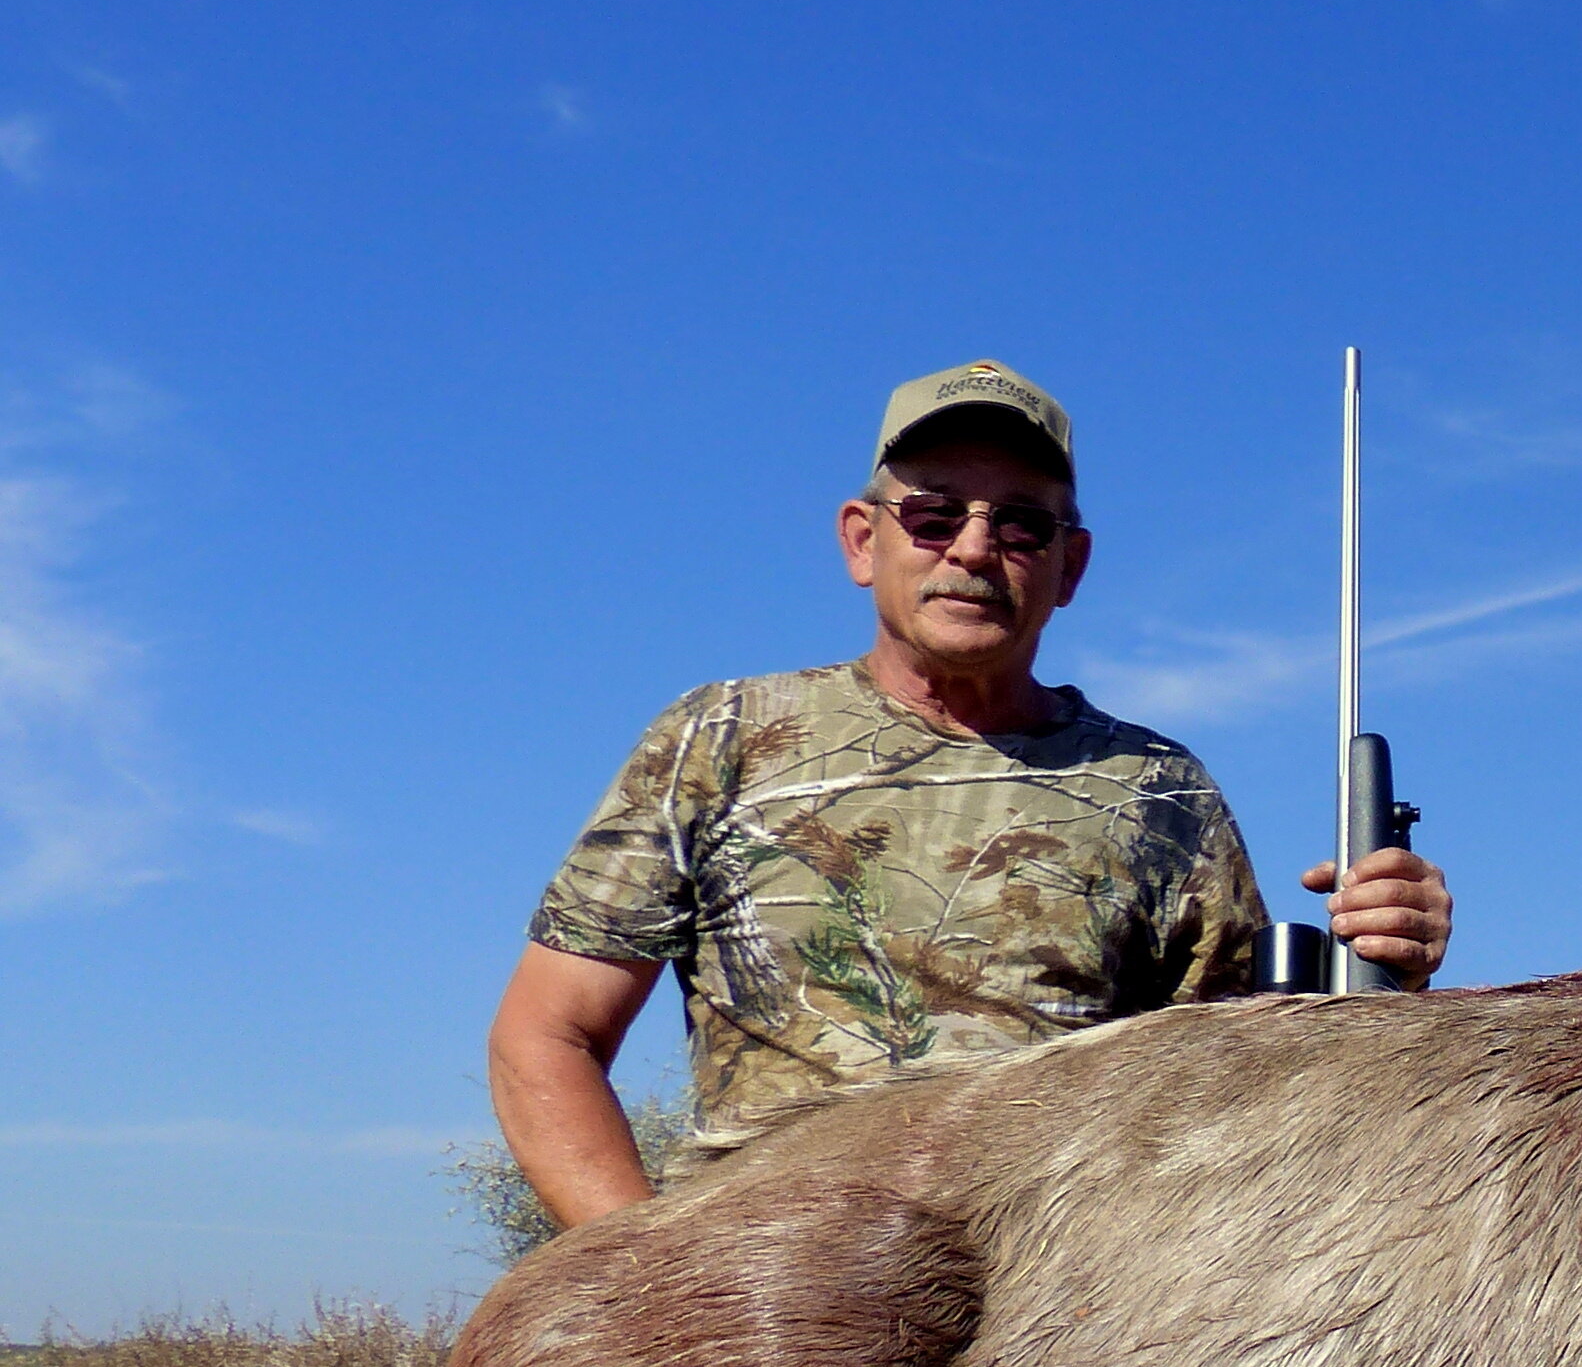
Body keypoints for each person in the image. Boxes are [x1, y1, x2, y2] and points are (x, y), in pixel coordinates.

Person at [487, 357, 1453, 1224]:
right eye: (935, 515)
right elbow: (546, 1036)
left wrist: (1386, 974)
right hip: (759, 1308)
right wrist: (647, 1287)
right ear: (863, 541)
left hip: (1059, 1328)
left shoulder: (1161, 790)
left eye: (1022, 524)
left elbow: (1246, 1100)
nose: (975, 550)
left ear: (1069, 566)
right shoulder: (720, 737)